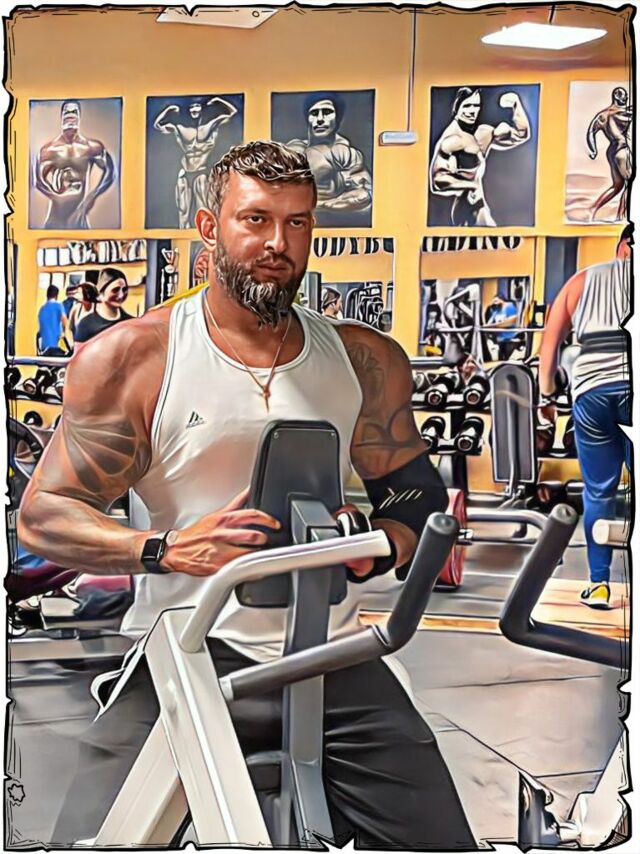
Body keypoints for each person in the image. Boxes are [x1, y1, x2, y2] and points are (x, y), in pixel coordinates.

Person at [19, 140, 474, 849]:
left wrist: (378, 546)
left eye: (297, 223)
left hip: (331, 652)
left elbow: (414, 496)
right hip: (188, 649)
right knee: (90, 837)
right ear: (209, 227)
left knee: (443, 843)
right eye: (256, 219)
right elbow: (45, 515)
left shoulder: (363, 359)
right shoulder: (134, 358)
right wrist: (165, 548)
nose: (278, 244)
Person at [538, 225, 631, 609]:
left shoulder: (580, 281)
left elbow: (549, 346)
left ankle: (599, 584)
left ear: (622, 246)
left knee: (599, 491)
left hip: (591, 391)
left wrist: (547, 395)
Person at [429, 87, 531, 226]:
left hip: (479, 205)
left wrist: (516, 104)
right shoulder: (452, 141)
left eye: (476, 105)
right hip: (467, 210)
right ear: (456, 108)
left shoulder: (482, 133)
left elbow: (521, 134)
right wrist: (471, 186)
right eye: (467, 106)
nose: (472, 111)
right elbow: (437, 181)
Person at [154, 97, 238, 228]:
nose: (194, 109)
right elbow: (158, 126)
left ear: (202, 109)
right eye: (191, 107)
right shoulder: (181, 128)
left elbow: (232, 113)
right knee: (183, 211)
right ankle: (182, 239)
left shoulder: (209, 126)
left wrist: (218, 101)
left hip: (201, 172)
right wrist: (168, 110)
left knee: (203, 210)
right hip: (185, 171)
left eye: (197, 106)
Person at [34, 100, 115, 229]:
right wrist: (55, 197)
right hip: (55, 219)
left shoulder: (91, 147)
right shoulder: (49, 150)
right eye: (67, 112)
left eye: (74, 112)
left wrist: (92, 197)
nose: (70, 115)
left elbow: (111, 172)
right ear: (61, 117)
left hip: (79, 219)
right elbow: (38, 181)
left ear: (79, 117)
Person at [287, 93, 372, 213]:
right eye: (314, 113)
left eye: (327, 112)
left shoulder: (348, 155)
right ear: (307, 119)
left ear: (337, 119)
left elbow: (364, 197)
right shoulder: (295, 149)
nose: (320, 119)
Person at [586, 86, 632, 222]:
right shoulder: (624, 113)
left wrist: (594, 150)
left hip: (611, 151)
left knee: (617, 186)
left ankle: (591, 210)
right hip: (622, 151)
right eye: (624, 96)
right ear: (617, 97)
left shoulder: (603, 115)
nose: (626, 98)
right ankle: (621, 218)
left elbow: (590, 132)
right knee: (630, 184)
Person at [73, 268, 133, 345]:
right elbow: (80, 351)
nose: (121, 295)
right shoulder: (85, 324)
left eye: (124, 289)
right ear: (101, 293)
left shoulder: (131, 322)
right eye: (115, 290)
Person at [485, 294, 519, 361]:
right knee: (500, 360)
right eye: (494, 302)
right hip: (500, 338)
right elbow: (489, 323)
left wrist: (496, 325)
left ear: (501, 300)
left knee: (506, 359)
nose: (495, 303)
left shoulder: (509, 306)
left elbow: (512, 321)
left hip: (509, 337)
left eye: (496, 301)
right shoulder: (497, 310)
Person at [37, 285, 68, 356]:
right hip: (54, 348)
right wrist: (64, 332)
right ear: (56, 296)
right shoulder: (59, 305)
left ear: (47, 295)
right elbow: (64, 320)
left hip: (43, 348)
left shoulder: (42, 309)